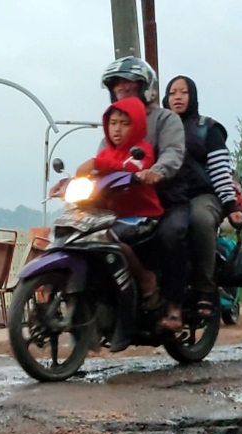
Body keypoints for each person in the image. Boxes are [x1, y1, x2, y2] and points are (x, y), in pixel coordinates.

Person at [161, 75, 242, 327]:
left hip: (203, 196)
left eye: (183, 92)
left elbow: (220, 170)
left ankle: (205, 289)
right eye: (173, 92)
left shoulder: (207, 128)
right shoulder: (159, 128)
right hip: (170, 197)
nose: (177, 97)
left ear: (193, 97)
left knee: (199, 218)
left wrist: (230, 205)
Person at [68, 96, 164, 309]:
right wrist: (67, 183)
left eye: (124, 123)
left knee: (112, 241)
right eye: (113, 123)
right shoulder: (106, 152)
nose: (117, 129)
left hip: (142, 215)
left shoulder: (142, 149)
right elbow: (93, 176)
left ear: (137, 125)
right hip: (112, 216)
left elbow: (135, 167)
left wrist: (97, 163)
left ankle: (146, 279)